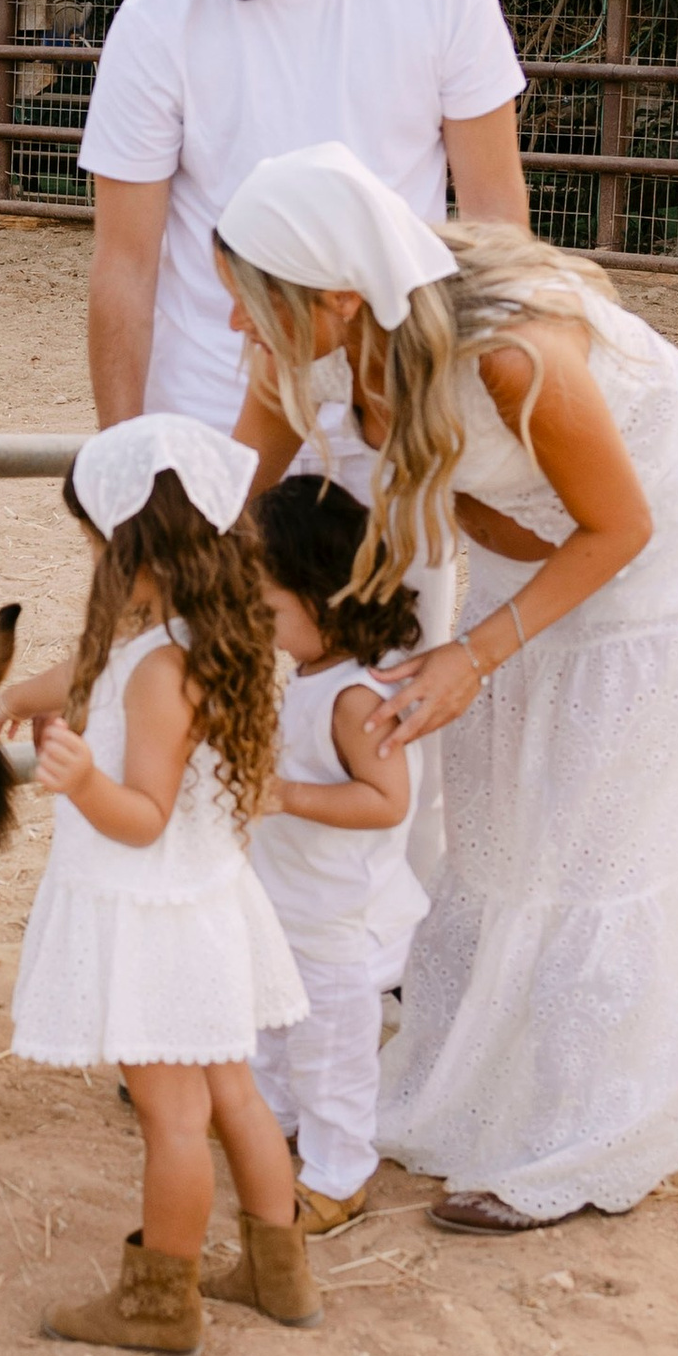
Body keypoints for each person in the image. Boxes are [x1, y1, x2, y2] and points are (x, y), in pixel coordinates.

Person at [217, 142, 678, 1233]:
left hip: (658, 553)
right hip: (531, 541)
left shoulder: (513, 358)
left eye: (252, 307)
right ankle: (472, 1090)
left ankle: (585, 1139)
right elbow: (221, 501)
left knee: (604, 830)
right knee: (504, 825)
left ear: (339, 299)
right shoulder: (310, 348)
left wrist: (475, 649)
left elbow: (619, 525)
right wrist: (131, 622)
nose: (236, 331)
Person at [0, 416, 315, 1356]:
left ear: (141, 549)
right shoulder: (192, 634)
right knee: (234, 1095)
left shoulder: (161, 675)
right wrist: (13, 698)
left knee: (174, 1116)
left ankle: (160, 1304)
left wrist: (81, 782)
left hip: (157, 915)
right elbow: (87, 667)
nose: (88, 552)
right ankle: (280, 1276)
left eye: (94, 536)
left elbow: (145, 816)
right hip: (203, 904)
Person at [81, 0, 530, 433]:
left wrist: (499, 411)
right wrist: (125, 463)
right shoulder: (153, 22)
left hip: (397, 413)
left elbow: (495, 216)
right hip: (218, 421)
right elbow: (124, 264)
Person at [247, 476, 428, 1235]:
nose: (258, 615)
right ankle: (274, 1119)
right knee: (274, 1028)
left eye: (270, 603)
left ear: (321, 597)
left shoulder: (354, 697)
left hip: (338, 920)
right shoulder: (309, 676)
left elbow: (387, 800)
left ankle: (338, 1172)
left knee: (331, 1057)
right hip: (295, 905)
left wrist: (284, 795)